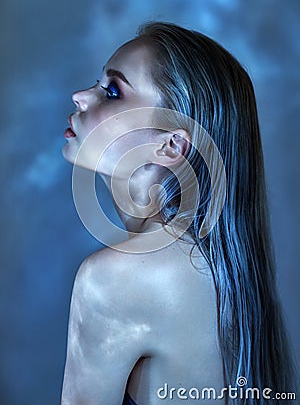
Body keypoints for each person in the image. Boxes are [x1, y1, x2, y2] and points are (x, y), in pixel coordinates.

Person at [61, 22, 295, 404]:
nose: (80, 97)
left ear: (171, 146)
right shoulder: (225, 273)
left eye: (113, 91)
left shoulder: (113, 279)